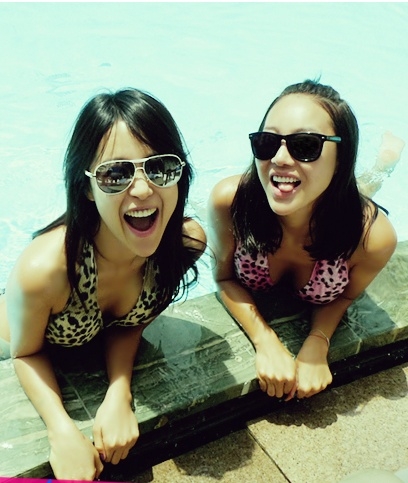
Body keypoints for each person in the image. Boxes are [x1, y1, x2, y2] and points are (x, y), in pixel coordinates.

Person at [0, 88, 206, 480]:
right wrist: (61, 431)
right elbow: (24, 355)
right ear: (87, 189)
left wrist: (119, 391)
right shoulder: (47, 268)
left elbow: (129, 324)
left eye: (160, 167)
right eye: (116, 174)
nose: (142, 189)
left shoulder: (183, 246)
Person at [208, 79, 401, 403]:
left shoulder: (372, 238)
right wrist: (265, 341)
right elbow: (224, 277)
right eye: (268, 142)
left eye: (306, 145)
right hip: (311, 192)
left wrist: (318, 340)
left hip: (338, 207)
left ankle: (387, 160)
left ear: (341, 156)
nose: (280, 158)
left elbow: (345, 296)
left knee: (364, 188)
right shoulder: (231, 202)